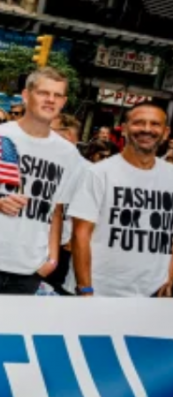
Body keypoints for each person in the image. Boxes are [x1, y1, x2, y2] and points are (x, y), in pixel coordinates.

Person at [0, 68, 84, 295]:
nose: (50, 100)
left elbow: (56, 210)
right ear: (26, 96)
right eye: (43, 93)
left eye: (57, 95)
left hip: (30, 268)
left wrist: (53, 259)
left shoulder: (68, 154)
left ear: (64, 101)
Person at [70, 102, 173, 297]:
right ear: (124, 129)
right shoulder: (98, 173)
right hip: (101, 289)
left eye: (155, 124)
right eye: (139, 123)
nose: (147, 129)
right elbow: (80, 234)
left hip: (153, 292)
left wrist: (169, 277)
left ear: (165, 132)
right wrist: (85, 288)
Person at [46, 113, 88, 294]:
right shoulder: (47, 161)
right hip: (37, 241)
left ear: (68, 135)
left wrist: (70, 242)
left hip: (64, 248)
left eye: (51, 130)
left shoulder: (88, 171)